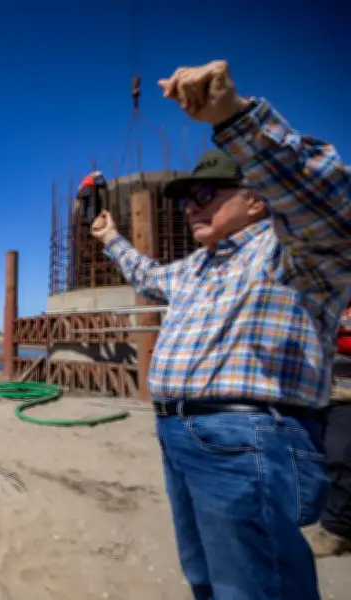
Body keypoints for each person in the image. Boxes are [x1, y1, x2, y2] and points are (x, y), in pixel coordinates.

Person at [90, 59, 351, 600]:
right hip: (179, 434)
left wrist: (233, 117)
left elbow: (327, 205)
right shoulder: (197, 265)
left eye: (206, 194)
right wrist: (112, 237)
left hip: (249, 438)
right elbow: (150, 276)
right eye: (187, 198)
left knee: (255, 588)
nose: (191, 207)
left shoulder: (294, 251)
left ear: (256, 199)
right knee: (207, 580)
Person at [307, 303, 351, 557]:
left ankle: (337, 529)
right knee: (318, 452)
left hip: (345, 391)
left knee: (340, 455)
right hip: (321, 389)